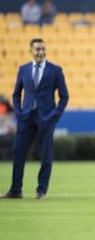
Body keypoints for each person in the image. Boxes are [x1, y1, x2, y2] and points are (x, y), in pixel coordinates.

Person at [0, 38, 69, 199]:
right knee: (18, 152)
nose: (41, 52)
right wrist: (19, 112)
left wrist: (55, 115)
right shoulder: (23, 69)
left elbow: (64, 97)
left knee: (46, 154)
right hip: (26, 117)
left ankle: (41, 190)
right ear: (30, 51)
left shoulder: (55, 70)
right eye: (37, 49)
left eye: (43, 49)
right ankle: (16, 190)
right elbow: (16, 94)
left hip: (46, 117)